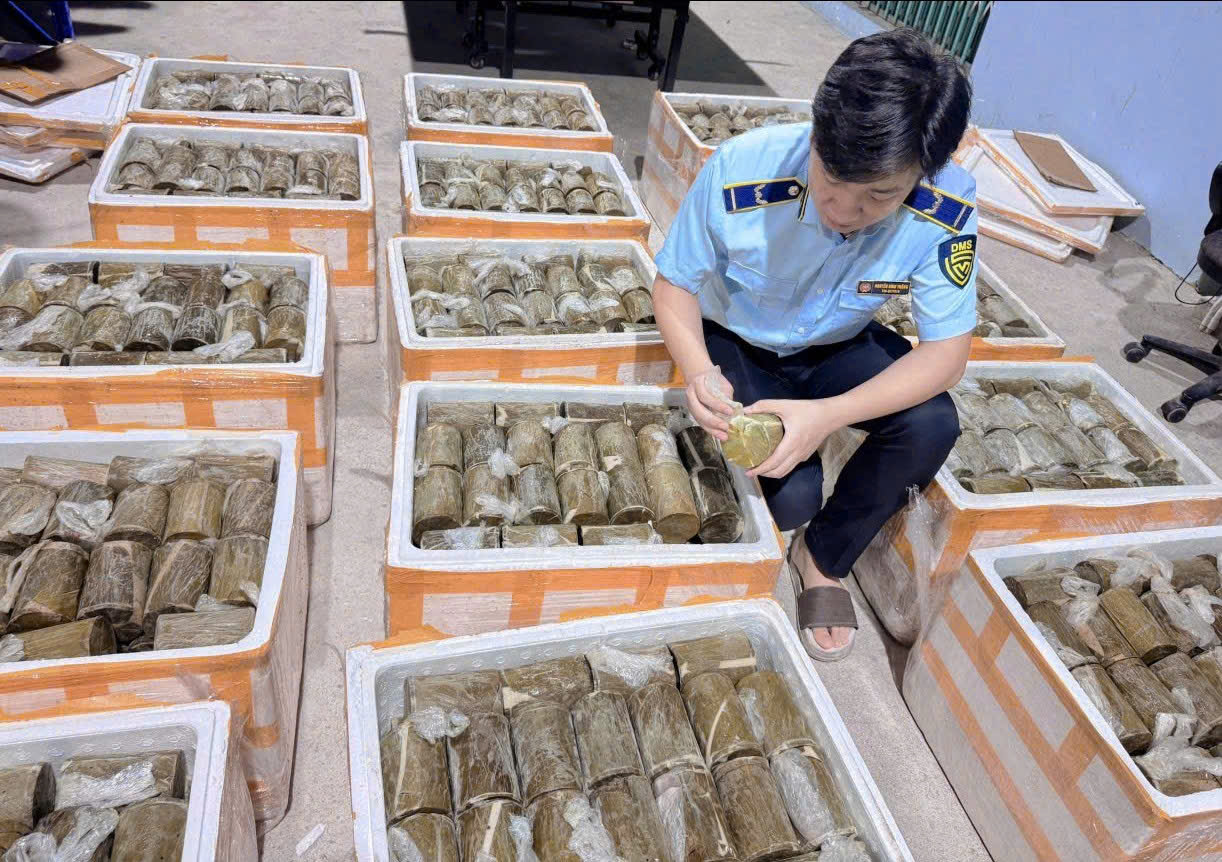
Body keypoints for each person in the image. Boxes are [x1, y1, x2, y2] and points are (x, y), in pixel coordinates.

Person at [653, 29, 976, 661]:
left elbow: (946, 355)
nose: (844, 211)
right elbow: (674, 287)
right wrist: (697, 371)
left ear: (924, 173)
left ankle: (823, 557)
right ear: (818, 131)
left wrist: (827, 416)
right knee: (790, 493)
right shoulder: (742, 169)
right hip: (738, 338)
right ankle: (797, 511)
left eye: (880, 196)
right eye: (831, 178)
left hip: (837, 343)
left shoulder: (947, 205)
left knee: (932, 424)